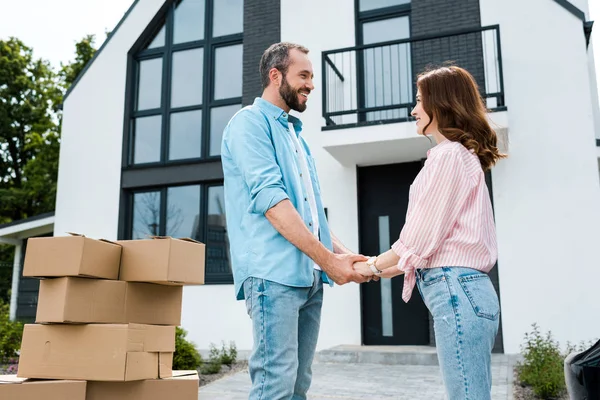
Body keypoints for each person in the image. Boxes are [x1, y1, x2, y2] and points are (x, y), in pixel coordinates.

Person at [221, 42, 368, 400]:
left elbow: (312, 217)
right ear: (276, 76)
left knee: (298, 386)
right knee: (275, 385)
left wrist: (349, 256)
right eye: (303, 75)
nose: (311, 85)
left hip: (309, 278)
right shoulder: (249, 126)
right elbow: (275, 205)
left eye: (312, 77)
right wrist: (329, 261)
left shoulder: (295, 136)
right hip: (273, 278)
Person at [354, 66, 506, 400]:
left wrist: (369, 267)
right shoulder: (463, 157)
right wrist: (373, 268)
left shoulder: (448, 155)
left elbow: (418, 240)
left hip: (457, 292)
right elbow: (429, 250)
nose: (414, 109)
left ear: (441, 104)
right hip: (468, 291)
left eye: (420, 100)